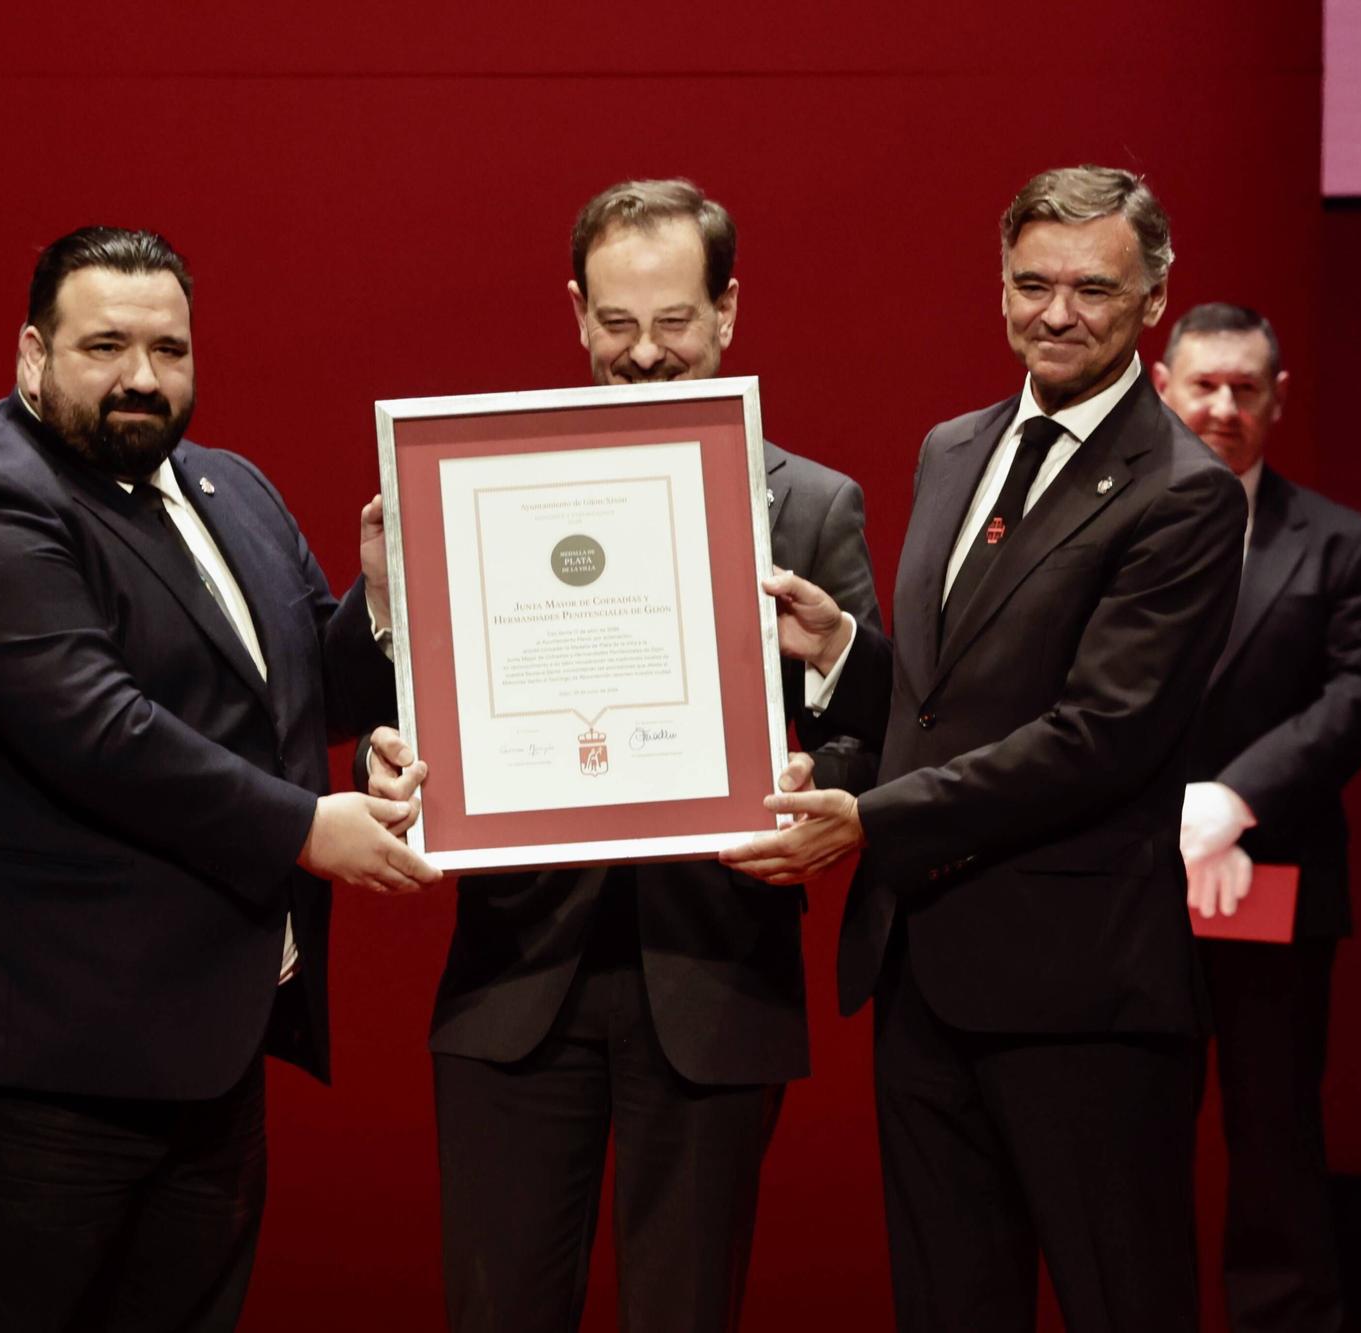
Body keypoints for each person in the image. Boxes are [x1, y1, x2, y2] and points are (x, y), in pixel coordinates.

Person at [0, 226, 438, 1333]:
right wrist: (307, 825)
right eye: (104, 345)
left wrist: (383, 597)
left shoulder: (227, 488)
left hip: (201, 1051)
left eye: (169, 348)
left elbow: (306, 686)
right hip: (28, 1062)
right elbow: (101, 732)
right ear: (30, 354)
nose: (142, 378)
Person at [723, 165, 1247, 1332]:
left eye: (1092, 288)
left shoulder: (1185, 494)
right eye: (1030, 283)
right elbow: (947, 696)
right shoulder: (952, 447)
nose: (1055, 313)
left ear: (1154, 296)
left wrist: (873, 821)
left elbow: (1100, 734)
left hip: (1084, 996)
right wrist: (845, 649)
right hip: (923, 972)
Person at [370, 178, 883, 1332]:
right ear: (574, 313)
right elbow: (414, 709)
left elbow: (869, 730)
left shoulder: (813, 506)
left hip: (712, 985)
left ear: (728, 311)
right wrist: (391, 747)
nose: (643, 353)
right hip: (514, 985)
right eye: (615, 324)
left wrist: (821, 786)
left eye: (673, 322)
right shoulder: (483, 482)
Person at [1152, 302, 1361, 1333]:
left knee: (1275, 1137)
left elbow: (1358, 695)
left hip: (1272, 880)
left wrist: (1233, 795)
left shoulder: (1335, 538)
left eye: (1242, 389)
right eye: (1201, 384)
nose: (1220, 407)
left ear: (1276, 399)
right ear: (1160, 387)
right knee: (1130, 1139)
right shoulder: (1104, 527)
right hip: (1128, 881)